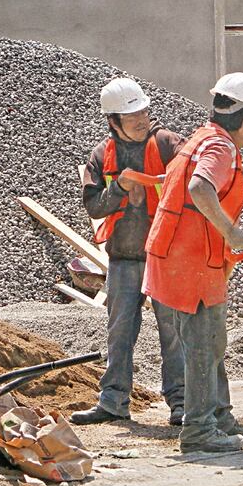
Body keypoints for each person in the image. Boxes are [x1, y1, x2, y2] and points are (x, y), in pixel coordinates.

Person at [142, 72, 243, 453]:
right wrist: (232, 233)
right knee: (201, 345)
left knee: (210, 342)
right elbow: (198, 187)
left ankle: (219, 417)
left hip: (180, 255)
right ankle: (198, 430)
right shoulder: (221, 148)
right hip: (190, 258)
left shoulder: (198, 138)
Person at [73, 78, 185, 426]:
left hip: (164, 256)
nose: (141, 119)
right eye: (131, 114)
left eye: (143, 111)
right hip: (123, 257)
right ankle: (113, 401)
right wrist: (120, 186)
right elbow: (94, 207)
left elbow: (193, 183)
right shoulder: (101, 155)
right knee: (119, 331)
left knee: (173, 331)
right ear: (113, 121)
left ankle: (182, 404)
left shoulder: (167, 144)